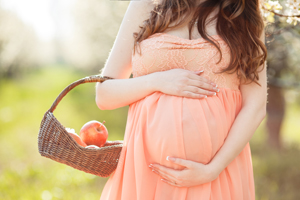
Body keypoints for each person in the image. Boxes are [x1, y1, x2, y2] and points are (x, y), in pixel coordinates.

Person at [96, 0, 267, 199]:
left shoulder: (244, 16)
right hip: (145, 172)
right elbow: (105, 95)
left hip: (217, 172)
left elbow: (255, 106)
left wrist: (213, 169)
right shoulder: (146, 5)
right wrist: (157, 81)